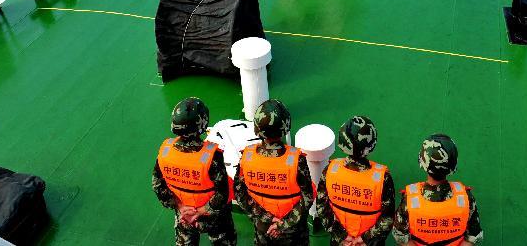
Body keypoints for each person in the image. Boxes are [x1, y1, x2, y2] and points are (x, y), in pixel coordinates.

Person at [152, 98, 237, 246]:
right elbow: (222, 193)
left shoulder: (165, 152)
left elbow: (158, 186)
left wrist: (180, 206)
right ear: (202, 124)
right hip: (214, 217)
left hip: (184, 215)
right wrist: (201, 211)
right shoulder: (212, 157)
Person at [234, 99, 314, 245]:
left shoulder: (246, 157)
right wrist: (283, 224)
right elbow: (307, 197)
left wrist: (267, 218)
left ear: (257, 128)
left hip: (263, 228)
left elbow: (240, 194)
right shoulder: (297, 160)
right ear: (286, 126)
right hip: (293, 232)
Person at [316, 116, 395, 246]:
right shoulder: (383, 178)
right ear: (371, 145)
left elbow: (321, 207)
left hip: (341, 242)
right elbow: (388, 218)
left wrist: (342, 236)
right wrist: (365, 238)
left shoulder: (330, 170)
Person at [392, 134, 483, 245]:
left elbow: (401, 237)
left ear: (422, 161)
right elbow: (473, 236)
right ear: (453, 165)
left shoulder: (409, 198)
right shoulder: (465, 197)